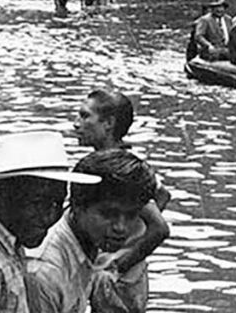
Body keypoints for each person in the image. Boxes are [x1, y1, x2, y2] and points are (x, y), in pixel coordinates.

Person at [0, 131, 100, 313]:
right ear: (2, 195)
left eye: (58, 203)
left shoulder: (8, 251)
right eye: (37, 203)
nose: (49, 217)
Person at [72, 90, 171, 313]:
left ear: (108, 124)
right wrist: (133, 227)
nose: (76, 124)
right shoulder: (122, 164)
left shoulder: (120, 175)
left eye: (85, 116)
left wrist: (119, 262)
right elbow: (163, 194)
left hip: (117, 279)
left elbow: (160, 228)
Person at [27, 148, 161, 313]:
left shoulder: (88, 244)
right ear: (77, 205)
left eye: (132, 215)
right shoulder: (46, 271)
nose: (121, 228)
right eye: (109, 214)